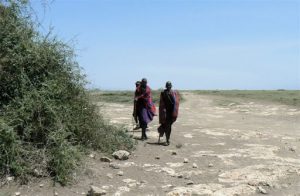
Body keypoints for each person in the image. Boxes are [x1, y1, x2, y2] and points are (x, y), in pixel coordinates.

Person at [158, 81, 180, 146]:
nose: (168, 87)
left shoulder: (174, 93)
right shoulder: (163, 93)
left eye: (169, 85)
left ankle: (167, 139)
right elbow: (161, 104)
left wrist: (175, 108)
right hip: (165, 113)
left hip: (172, 112)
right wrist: (163, 111)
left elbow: (176, 102)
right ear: (166, 86)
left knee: (169, 126)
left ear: (171, 86)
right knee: (167, 126)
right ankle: (167, 140)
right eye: (167, 85)